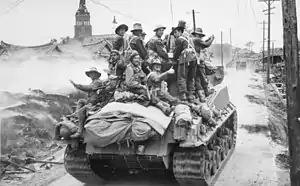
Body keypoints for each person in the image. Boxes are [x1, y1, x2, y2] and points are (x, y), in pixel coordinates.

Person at [69, 67, 104, 138]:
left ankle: (80, 130)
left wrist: (76, 85)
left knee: (83, 110)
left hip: (95, 103)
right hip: (91, 101)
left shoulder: (97, 82)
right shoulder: (94, 81)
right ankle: (76, 114)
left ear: (96, 75)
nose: (91, 75)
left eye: (93, 73)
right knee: (81, 101)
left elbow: (88, 88)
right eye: (90, 73)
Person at [172, 22, 198, 103]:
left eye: (175, 33)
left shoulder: (179, 39)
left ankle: (183, 96)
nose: (175, 35)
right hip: (194, 58)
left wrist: (174, 59)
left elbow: (177, 52)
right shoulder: (189, 38)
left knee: (182, 76)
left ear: (179, 32)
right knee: (191, 76)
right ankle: (191, 95)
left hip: (185, 58)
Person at [191, 28, 215, 100]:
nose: (201, 37)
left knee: (197, 79)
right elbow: (206, 44)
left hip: (194, 61)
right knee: (203, 78)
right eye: (200, 35)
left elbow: (204, 43)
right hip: (198, 61)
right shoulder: (196, 39)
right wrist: (212, 39)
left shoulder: (193, 40)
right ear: (197, 35)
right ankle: (206, 93)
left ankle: (201, 96)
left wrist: (208, 39)